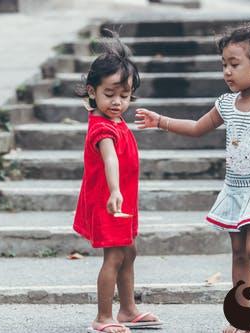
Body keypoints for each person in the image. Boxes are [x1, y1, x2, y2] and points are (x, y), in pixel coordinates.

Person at [135, 23, 250, 333]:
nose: (226, 72)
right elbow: (196, 127)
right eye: (223, 65)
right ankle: (242, 317)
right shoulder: (226, 104)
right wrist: (160, 121)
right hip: (236, 190)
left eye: (234, 64)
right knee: (239, 253)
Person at [73, 29, 162, 333]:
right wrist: (114, 190)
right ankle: (103, 317)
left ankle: (127, 309)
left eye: (124, 96)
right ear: (91, 91)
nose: (117, 102)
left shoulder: (115, 120)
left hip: (123, 200)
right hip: (110, 201)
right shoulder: (101, 128)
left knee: (129, 251)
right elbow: (110, 158)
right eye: (109, 94)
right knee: (114, 256)